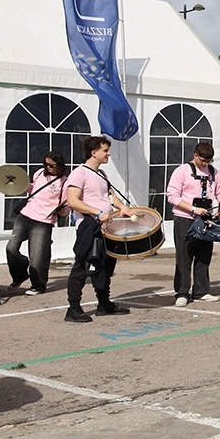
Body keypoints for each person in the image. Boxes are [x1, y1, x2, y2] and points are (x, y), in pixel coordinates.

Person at [63, 136, 133, 323]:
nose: (108, 153)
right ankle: (73, 308)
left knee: (105, 266)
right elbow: (73, 201)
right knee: (82, 267)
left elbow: (109, 196)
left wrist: (123, 209)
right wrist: (97, 212)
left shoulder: (102, 174)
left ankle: (104, 304)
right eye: (105, 150)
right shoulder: (80, 173)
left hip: (106, 227)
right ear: (93, 152)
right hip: (89, 225)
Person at [167, 142, 220, 307]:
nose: (205, 164)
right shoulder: (182, 171)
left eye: (208, 161)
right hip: (185, 218)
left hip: (206, 218)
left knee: (204, 256)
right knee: (184, 256)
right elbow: (172, 196)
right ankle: (182, 292)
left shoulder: (214, 172)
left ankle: (201, 290)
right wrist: (194, 209)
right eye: (202, 160)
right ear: (195, 155)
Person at [6, 151, 69, 296]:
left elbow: (66, 207)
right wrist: (20, 184)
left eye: (51, 165)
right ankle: (20, 275)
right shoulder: (39, 173)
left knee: (38, 256)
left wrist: (60, 211)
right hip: (25, 215)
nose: (48, 167)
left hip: (43, 220)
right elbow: (33, 189)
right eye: (45, 164)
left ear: (59, 165)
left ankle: (38, 285)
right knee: (11, 247)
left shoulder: (65, 182)